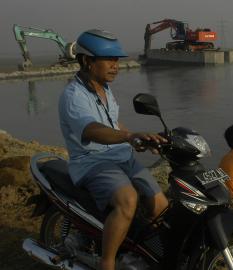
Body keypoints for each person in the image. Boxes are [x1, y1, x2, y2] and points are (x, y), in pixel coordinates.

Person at [58, 29, 168, 270]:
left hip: (120, 157)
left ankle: (138, 248)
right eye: (109, 60)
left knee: (160, 205)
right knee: (127, 199)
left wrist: (141, 140)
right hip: (93, 162)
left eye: (117, 60)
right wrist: (129, 136)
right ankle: (107, 263)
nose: (116, 66)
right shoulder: (73, 95)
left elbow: (113, 123)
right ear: (87, 61)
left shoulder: (104, 89)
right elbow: (91, 130)